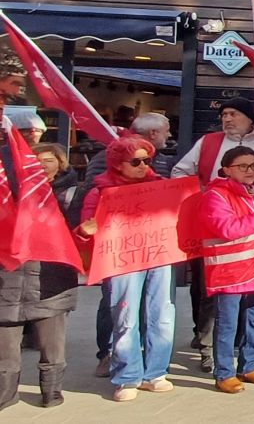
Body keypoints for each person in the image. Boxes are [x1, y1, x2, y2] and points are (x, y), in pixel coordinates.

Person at [173, 98, 254, 372]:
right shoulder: (207, 143)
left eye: (233, 114)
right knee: (211, 299)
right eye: (224, 114)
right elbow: (180, 172)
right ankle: (208, 348)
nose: (227, 119)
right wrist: (206, 194)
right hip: (217, 237)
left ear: (250, 118)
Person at [71, 112, 176, 377]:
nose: (143, 166)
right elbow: (84, 227)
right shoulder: (100, 191)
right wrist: (86, 231)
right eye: (136, 161)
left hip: (157, 258)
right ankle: (126, 373)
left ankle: (156, 371)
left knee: (161, 314)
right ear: (118, 163)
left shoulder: (159, 185)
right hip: (122, 263)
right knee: (123, 316)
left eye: (147, 160)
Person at [0, 48, 76, 410]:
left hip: (50, 281)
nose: (42, 168)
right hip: (8, 278)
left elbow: (80, 230)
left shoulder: (69, 194)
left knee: (52, 344)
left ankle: (51, 392)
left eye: (49, 163)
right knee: (6, 347)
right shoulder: (8, 185)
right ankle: (6, 396)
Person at [199, 146, 254, 393]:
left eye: (253, 166)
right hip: (229, 272)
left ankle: (249, 365)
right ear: (227, 169)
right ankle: (224, 372)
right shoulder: (215, 195)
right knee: (227, 325)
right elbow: (229, 229)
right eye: (243, 166)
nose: (250, 171)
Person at [33, 143, 80, 224]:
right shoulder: (17, 189)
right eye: (36, 161)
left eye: (48, 161)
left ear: (60, 163)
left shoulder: (72, 193)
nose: (42, 165)